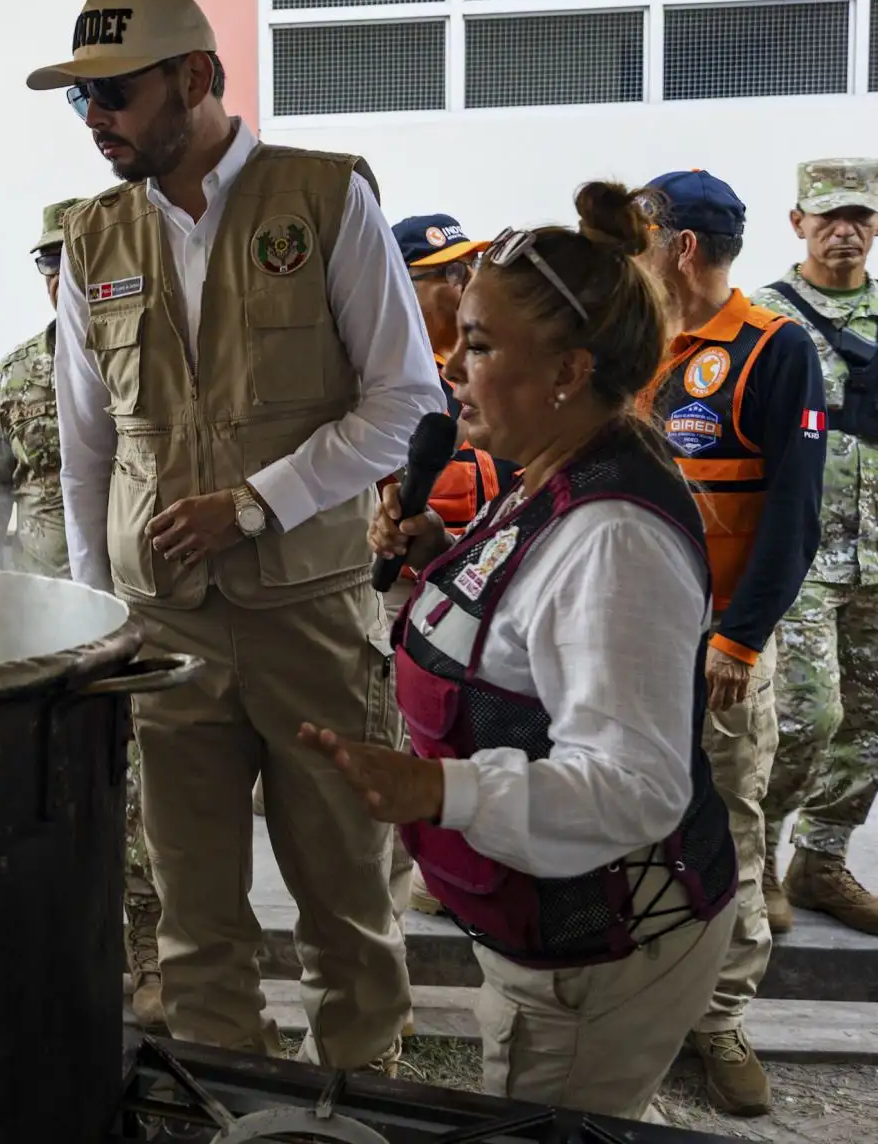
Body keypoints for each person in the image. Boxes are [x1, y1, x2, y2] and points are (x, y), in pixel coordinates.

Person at [29, 0, 445, 1070]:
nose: (96, 122)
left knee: (344, 894)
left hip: (307, 616)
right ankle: (223, 1091)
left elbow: (407, 401)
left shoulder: (322, 197)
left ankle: (361, 1094)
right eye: (79, 103)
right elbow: (87, 448)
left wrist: (257, 504)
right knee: (193, 909)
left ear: (198, 80)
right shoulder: (92, 238)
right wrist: (91, 614)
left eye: (113, 95)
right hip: (162, 631)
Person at [339, 182, 737, 1120]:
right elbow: (524, 634)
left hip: (604, 950)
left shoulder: (613, 535)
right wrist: (433, 564)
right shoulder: (550, 475)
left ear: (568, 369)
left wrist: (441, 791)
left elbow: (635, 784)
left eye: (478, 344)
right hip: (539, 929)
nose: (453, 365)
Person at [636, 169, 827, 1116]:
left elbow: (794, 515)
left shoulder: (773, 350)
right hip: (625, 638)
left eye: (638, 238)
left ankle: (718, 1017)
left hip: (719, 649)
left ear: (678, 246)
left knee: (729, 829)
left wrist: (741, 645)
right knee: (626, 820)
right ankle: (636, 1000)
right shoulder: (634, 347)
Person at [0, 199, 166, 1029]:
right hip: (42, 622)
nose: (62, 278)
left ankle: (153, 962)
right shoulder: (13, 376)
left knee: (146, 799)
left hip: (140, 608)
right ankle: (78, 955)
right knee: (55, 791)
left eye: (76, 262)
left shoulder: (150, 361)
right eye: (51, 265)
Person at [753, 159, 878, 938]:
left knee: (870, 720)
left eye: (859, 218)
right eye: (828, 216)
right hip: (799, 552)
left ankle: (821, 859)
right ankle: (754, 858)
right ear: (796, 221)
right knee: (804, 717)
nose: (845, 231)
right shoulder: (764, 317)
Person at [387, 215, 518, 921]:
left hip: (487, 583)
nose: (463, 284)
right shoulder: (384, 374)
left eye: (467, 269)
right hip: (403, 592)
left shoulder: (489, 364)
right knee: (411, 732)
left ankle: (473, 860)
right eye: (444, 274)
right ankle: (429, 867)